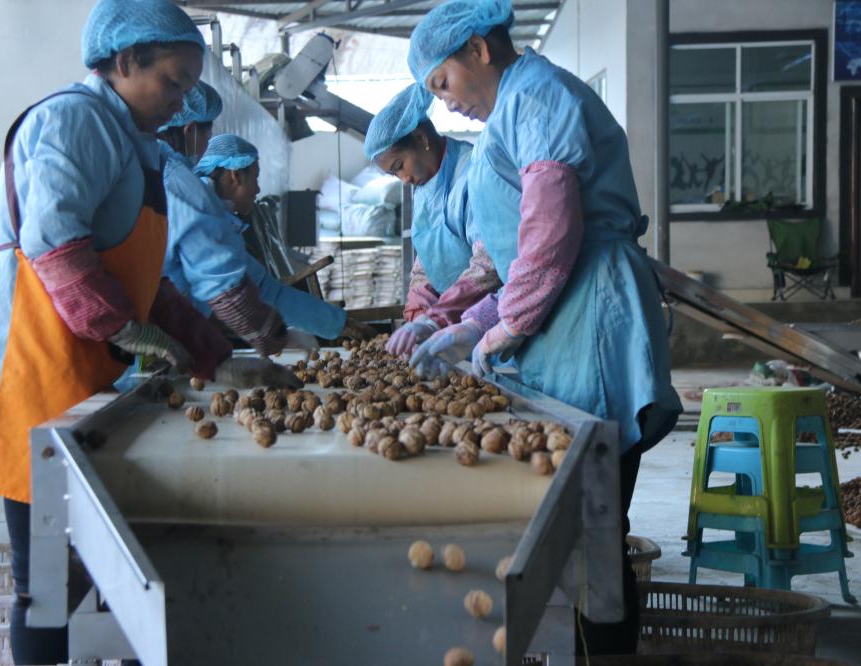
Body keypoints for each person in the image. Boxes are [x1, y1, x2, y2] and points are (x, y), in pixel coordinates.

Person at [0, 2, 297, 663]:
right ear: (123, 62)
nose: (179, 101)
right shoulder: (73, 120)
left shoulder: (140, 148)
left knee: (88, 574)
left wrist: (214, 355)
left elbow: (147, 283)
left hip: (85, 383)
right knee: (45, 588)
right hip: (36, 379)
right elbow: (54, 245)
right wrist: (125, 329)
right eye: (171, 81)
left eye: (188, 86)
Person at [406, 0, 683, 655]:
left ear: (478, 50)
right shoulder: (515, 108)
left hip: (592, 315)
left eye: (442, 83)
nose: (445, 106)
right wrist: (477, 321)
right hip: (566, 310)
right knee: (582, 522)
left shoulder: (536, 95)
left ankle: (605, 652)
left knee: (595, 518)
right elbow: (512, 251)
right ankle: (587, 646)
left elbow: (552, 232)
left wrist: (510, 324)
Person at [161, 132, 374, 355]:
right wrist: (274, 338)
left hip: (175, 341)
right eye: (255, 176)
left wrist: (337, 323)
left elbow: (266, 290)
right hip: (154, 337)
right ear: (235, 176)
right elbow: (228, 290)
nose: (258, 189)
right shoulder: (199, 210)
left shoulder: (221, 222)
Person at [364, 83, 500, 359]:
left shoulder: (474, 174)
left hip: (490, 323)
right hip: (449, 327)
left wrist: (434, 319)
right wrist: (417, 314)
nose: (403, 179)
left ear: (420, 138)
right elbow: (428, 259)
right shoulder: (425, 186)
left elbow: (488, 266)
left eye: (399, 166)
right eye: (394, 175)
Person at [157, 79, 222, 162]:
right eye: (207, 139)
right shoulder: (178, 173)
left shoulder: (145, 159)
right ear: (190, 129)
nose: (207, 148)